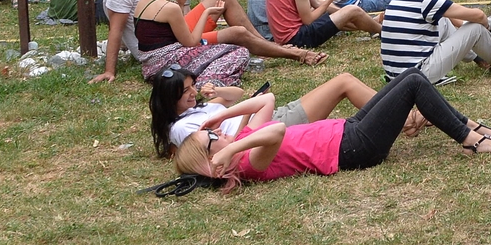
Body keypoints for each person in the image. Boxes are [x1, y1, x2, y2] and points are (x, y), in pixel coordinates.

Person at [173, 68, 491, 188]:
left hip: (347, 129)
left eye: (213, 131)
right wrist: (232, 148)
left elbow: (267, 101)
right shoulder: (247, 163)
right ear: (212, 165)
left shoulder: (241, 142)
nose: (219, 135)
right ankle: (469, 139)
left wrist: (220, 117)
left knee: (412, 77)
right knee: (413, 86)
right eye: (212, 140)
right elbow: (275, 133)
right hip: (353, 147)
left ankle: (471, 126)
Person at [150, 67, 431, 158]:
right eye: (185, 91)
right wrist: (246, 115)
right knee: (343, 82)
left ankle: (407, 117)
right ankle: (408, 118)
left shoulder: (196, 109)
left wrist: (217, 93)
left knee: (343, 82)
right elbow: (228, 146)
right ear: (168, 99)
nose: (192, 92)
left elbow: (238, 96)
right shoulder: (180, 129)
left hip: (266, 116)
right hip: (265, 126)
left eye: (192, 86)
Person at [131, 0, 323, 81]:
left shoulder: (144, 1)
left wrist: (181, 5)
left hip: (155, 58)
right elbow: (191, 42)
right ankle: (297, 54)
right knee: (238, 41)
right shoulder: (169, 8)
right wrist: (208, 13)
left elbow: (168, 29)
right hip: (167, 60)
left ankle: (268, 47)